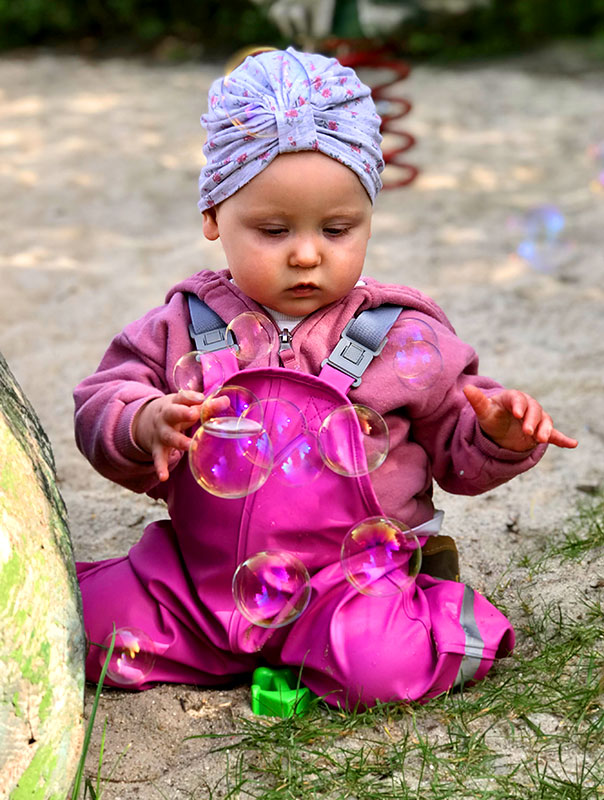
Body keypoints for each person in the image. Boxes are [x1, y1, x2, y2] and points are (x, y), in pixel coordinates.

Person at [74, 47, 577, 707]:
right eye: (273, 229)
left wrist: (499, 437)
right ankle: (224, 643)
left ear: (369, 216)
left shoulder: (402, 336)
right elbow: (100, 403)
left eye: (338, 228)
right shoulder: (179, 326)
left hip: (347, 585)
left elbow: (457, 447)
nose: (307, 252)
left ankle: (432, 603)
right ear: (212, 217)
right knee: (87, 626)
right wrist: (144, 421)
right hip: (199, 582)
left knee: (381, 669)